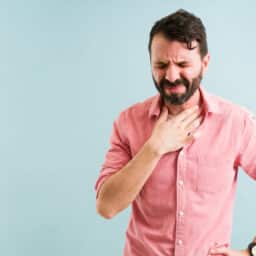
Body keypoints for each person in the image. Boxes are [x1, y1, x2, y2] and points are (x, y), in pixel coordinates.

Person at [94, 9, 256, 256]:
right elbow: (106, 206)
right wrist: (154, 147)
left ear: (204, 63)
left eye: (182, 64)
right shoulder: (128, 122)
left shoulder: (236, 122)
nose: (171, 76)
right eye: (161, 65)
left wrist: (251, 252)